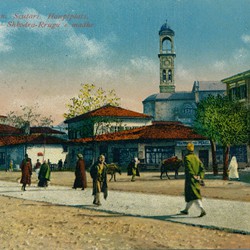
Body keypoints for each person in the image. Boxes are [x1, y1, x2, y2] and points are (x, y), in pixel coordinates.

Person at [180, 143, 206, 217]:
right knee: (191, 195)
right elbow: (202, 169)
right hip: (196, 180)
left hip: (190, 180)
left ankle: (202, 210)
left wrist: (194, 176)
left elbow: (189, 170)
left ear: (187, 149)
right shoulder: (196, 158)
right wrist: (200, 177)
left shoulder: (186, 158)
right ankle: (186, 210)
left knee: (194, 195)